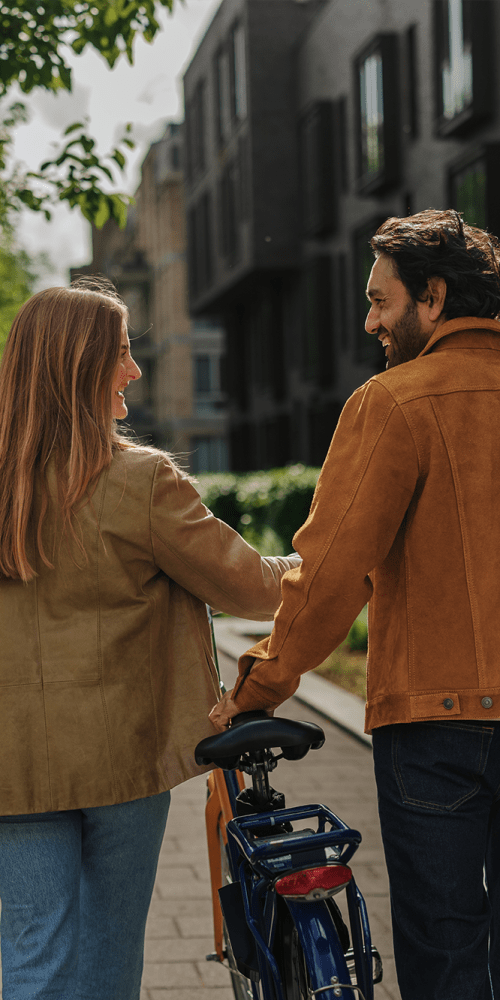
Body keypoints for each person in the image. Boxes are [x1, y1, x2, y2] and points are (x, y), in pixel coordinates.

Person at [210, 209, 500, 1000]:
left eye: (381, 302)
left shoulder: (394, 403)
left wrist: (257, 688)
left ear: (433, 297)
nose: (369, 321)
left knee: (444, 956)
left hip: (435, 728)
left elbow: (332, 573)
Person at [0, 278, 299, 1000]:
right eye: (122, 353)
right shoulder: (139, 480)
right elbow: (251, 589)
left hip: (14, 765)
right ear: (79, 365)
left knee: (31, 959)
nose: (134, 370)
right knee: (107, 955)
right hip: (123, 758)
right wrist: (309, 561)